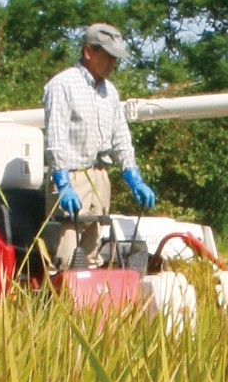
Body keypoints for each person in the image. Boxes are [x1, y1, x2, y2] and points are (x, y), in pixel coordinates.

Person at [41, 22, 158, 271]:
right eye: (108, 56)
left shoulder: (111, 93)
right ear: (88, 52)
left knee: (93, 257)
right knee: (68, 256)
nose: (113, 63)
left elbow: (121, 140)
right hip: (70, 177)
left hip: (99, 179)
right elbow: (55, 138)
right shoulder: (62, 85)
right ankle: (61, 304)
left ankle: (88, 307)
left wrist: (134, 178)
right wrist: (63, 184)